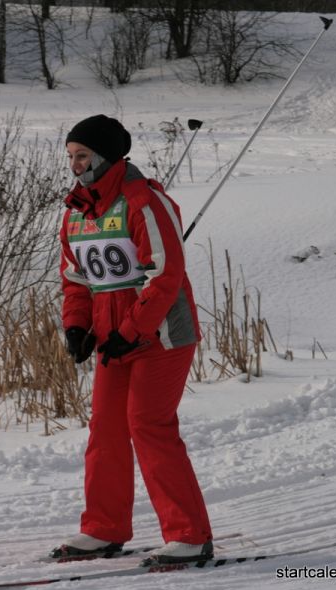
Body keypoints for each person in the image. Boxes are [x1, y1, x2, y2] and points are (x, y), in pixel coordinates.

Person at [53, 114, 213, 564]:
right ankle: (103, 529)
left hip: (161, 335)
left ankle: (190, 536)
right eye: (70, 156)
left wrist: (131, 331)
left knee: (148, 425)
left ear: (106, 156)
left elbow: (165, 276)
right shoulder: (77, 212)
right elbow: (75, 281)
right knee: (105, 429)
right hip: (113, 340)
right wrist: (76, 327)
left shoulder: (143, 201)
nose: (75, 165)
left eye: (82, 155)